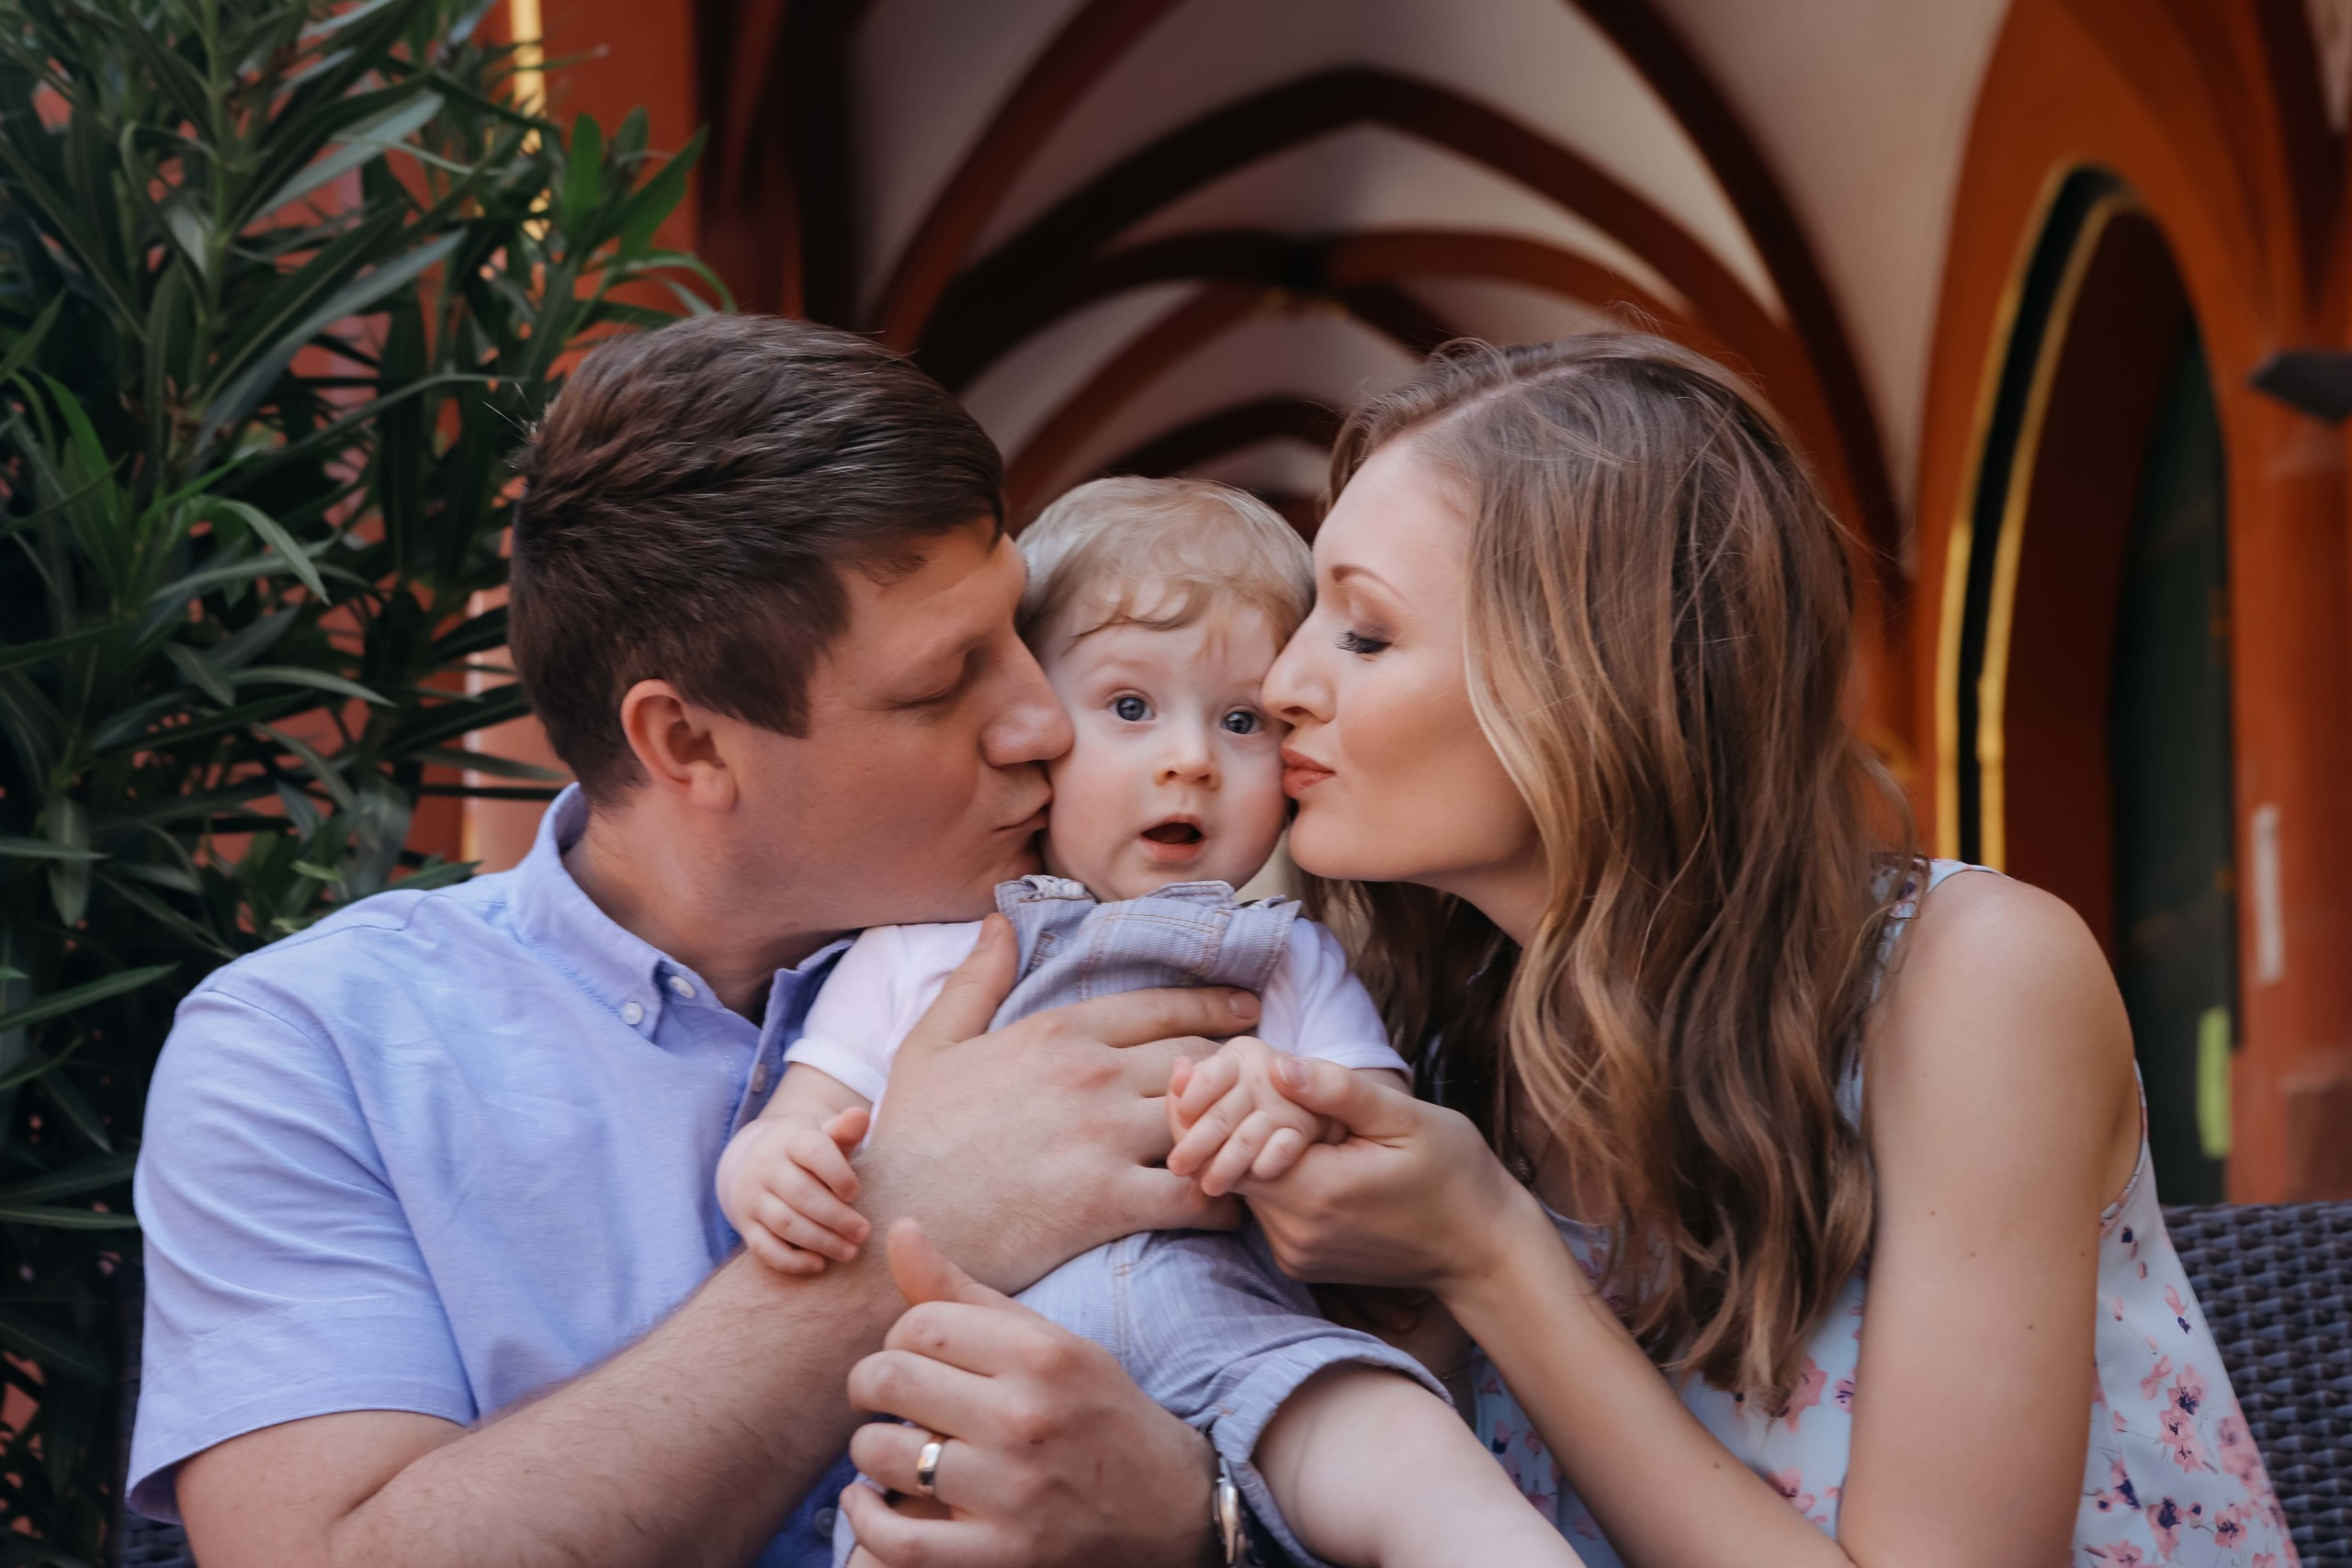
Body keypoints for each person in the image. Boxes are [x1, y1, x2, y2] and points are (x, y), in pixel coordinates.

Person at [128, 315, 1297, 1567]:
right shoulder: (311, 1048)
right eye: (944, 678)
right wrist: (904, 1222)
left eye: (1020, 628)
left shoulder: (1195, 966)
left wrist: (1205, 1517)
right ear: (686, 744)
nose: (1040, 719)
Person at [1169, 335, 2296, 1565]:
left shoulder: (1967, 977)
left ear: (1595, 674)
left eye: (1366, 633)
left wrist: (1489, 1252)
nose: (1279, 682)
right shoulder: (1426, 1052)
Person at [721, 476, 1575, 1568]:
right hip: (975, 1376)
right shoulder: (919, 948)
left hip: (1237, 1340)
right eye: (1129, 708)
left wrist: (1286, 1110)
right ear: (1031, 727)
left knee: (1403, 1443)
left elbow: (1380, 1141)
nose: (1191, 758)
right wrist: (772, 1169)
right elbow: (803, 1116)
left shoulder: (1287, 955)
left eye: (1242, 720)